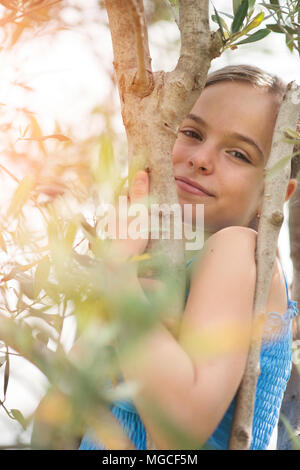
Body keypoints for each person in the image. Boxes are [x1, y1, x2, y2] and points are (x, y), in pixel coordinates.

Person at [78, 64, 299, 450]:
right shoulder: (146, 258)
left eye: (238, 154)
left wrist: (117, 273)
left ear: (274, 193)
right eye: (192, 132)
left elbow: (175, 435)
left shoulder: (236, 250)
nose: (201, 158)